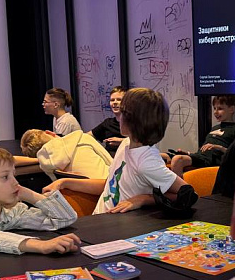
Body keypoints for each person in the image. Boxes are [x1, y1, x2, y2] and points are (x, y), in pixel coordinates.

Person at [42, 88, 192, 214]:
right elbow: (109, 185)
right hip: (103, 219)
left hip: (118, 229)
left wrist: (145, 199)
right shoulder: (126, 144)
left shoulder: (146, 162)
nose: (119, 117)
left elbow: (188, 194)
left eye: (123, 112)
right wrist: (65, 182)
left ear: (134, 121)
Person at [166, 95, 235, 177]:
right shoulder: (214, 128)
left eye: (220, 109)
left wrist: (218, 147)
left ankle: (181, 185)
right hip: (200, 157)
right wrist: (188, 153)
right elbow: (202, 151)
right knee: (163, 156)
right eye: (214, 108)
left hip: (211, 161)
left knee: (177, 160)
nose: (215, 112)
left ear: (231, 109)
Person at [20, 129, 113, 180]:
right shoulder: (82, 138)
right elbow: (112, 163)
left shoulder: (46, 165)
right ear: (50, 132)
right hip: (111, 188)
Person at [89, 86, 125, 152]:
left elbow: (143, 141)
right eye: (112, 100)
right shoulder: (108, 123)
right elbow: (88, 136)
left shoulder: (135, 123)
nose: (115, 102)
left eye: (119, 99)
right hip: (109, 157)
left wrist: (122, 141)